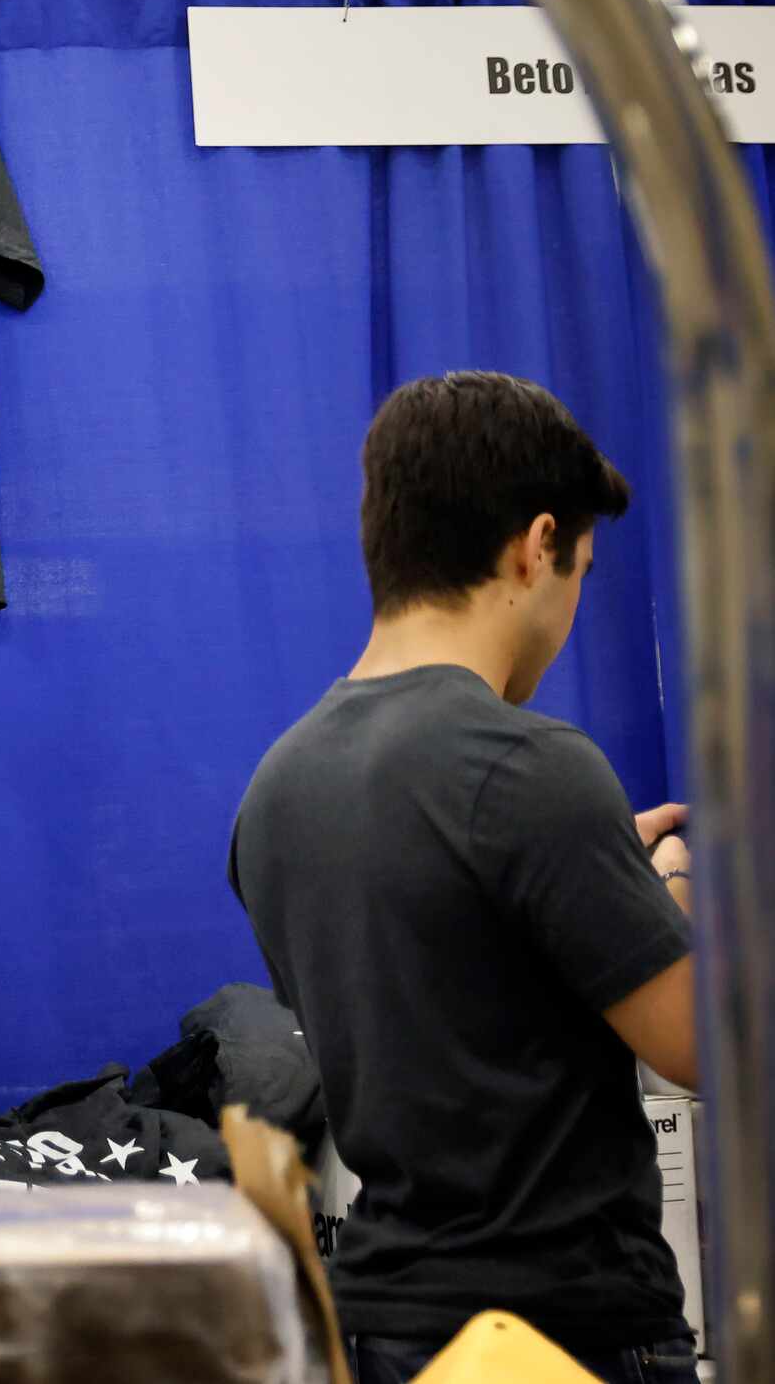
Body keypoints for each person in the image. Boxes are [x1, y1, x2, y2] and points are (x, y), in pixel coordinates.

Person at [230, 371, 698, 1384]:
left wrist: (586, 871)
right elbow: (709, 1049)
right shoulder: (532, 769)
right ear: (535, 547)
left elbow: (445, 990)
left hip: (387, 1329)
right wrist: (660, 890)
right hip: (561, 1332)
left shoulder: (275, 791)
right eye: (576, 571)